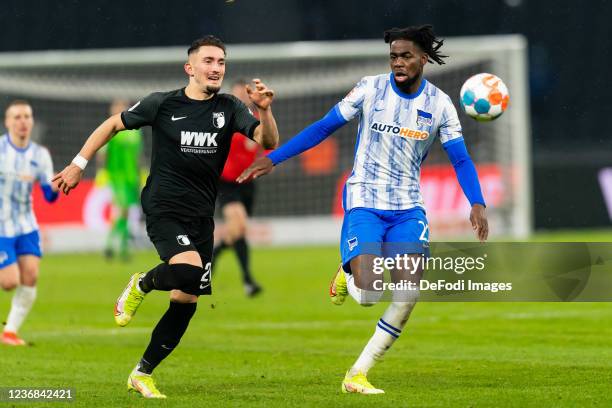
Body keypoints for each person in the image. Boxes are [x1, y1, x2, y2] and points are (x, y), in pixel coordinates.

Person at [238, 25, 488, 394]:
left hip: (408, 208)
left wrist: (477, 201)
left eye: (405, 56)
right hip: (365, 201)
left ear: (423, 58)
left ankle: (358, 373)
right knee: (370, 294)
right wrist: (274, 158)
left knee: (408, 294)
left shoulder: (439, 105)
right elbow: (324, 127)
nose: (398, 62)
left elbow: (461, 160)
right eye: (393, 56)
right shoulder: (370, 88)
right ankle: (348, 271)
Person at [52, 36, 279, 398]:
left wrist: (265, 110)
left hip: (201, 215)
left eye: (221, 62)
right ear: (190, 68)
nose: (216, 68)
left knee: (186, 299)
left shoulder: (231, 107)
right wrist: (78, 164)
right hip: (163, 206)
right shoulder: (163, 103)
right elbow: (112, 124)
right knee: (188, 270)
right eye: (208, 61)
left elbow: (267, 142)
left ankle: (142, 373)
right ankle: (141, 283)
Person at [0, 100, 59, 346]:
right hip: (1, 226)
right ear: (7, 122)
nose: (23, 121)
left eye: (27, 116)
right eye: (17, 117)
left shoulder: (40, 155)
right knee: (9, 282)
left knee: (31, 276)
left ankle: (10, 332)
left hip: (27, 225)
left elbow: (49, 196)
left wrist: (57, 186)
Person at [213, 79, 267, 297]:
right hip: (226, 183)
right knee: (240, 226)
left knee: (236, 232)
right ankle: (248, 281)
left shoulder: (256, 121)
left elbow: (266, 142)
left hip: (247, 183)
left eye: (243, 95)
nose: (240, 98)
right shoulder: (221, 120)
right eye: (236, 95)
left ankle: (212, 257)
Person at [97, 99, 143, 261]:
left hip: (132, 178)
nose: (118, 110)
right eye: (115, 107)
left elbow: (138, 156)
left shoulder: (135, 131)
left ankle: (118, 248)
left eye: (121, 107)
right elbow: (102, 153)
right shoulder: (110, 129)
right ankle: (115, 247)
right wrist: (102, 172)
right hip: (117, 176)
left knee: (126, 212)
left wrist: (140, 176)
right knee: (122, 209)